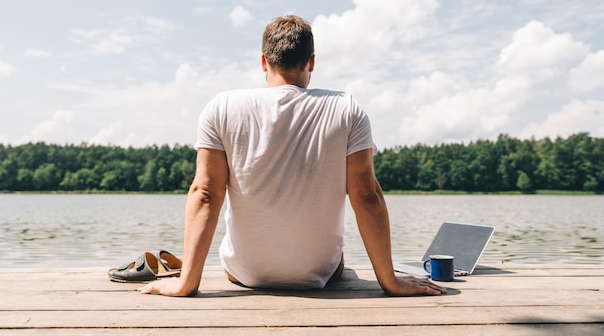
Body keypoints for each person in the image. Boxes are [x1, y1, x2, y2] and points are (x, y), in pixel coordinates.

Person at [138, 15, 446, 297]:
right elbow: (366, 196)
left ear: (263, 61)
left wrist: (186, 283)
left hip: (245, 274)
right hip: (319, 275)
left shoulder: (221, 107)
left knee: (229, 251)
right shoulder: (347, 108)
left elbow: (205, 193)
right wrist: (389, 281)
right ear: (311, 63)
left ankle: (192, 276)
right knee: (342, 262)